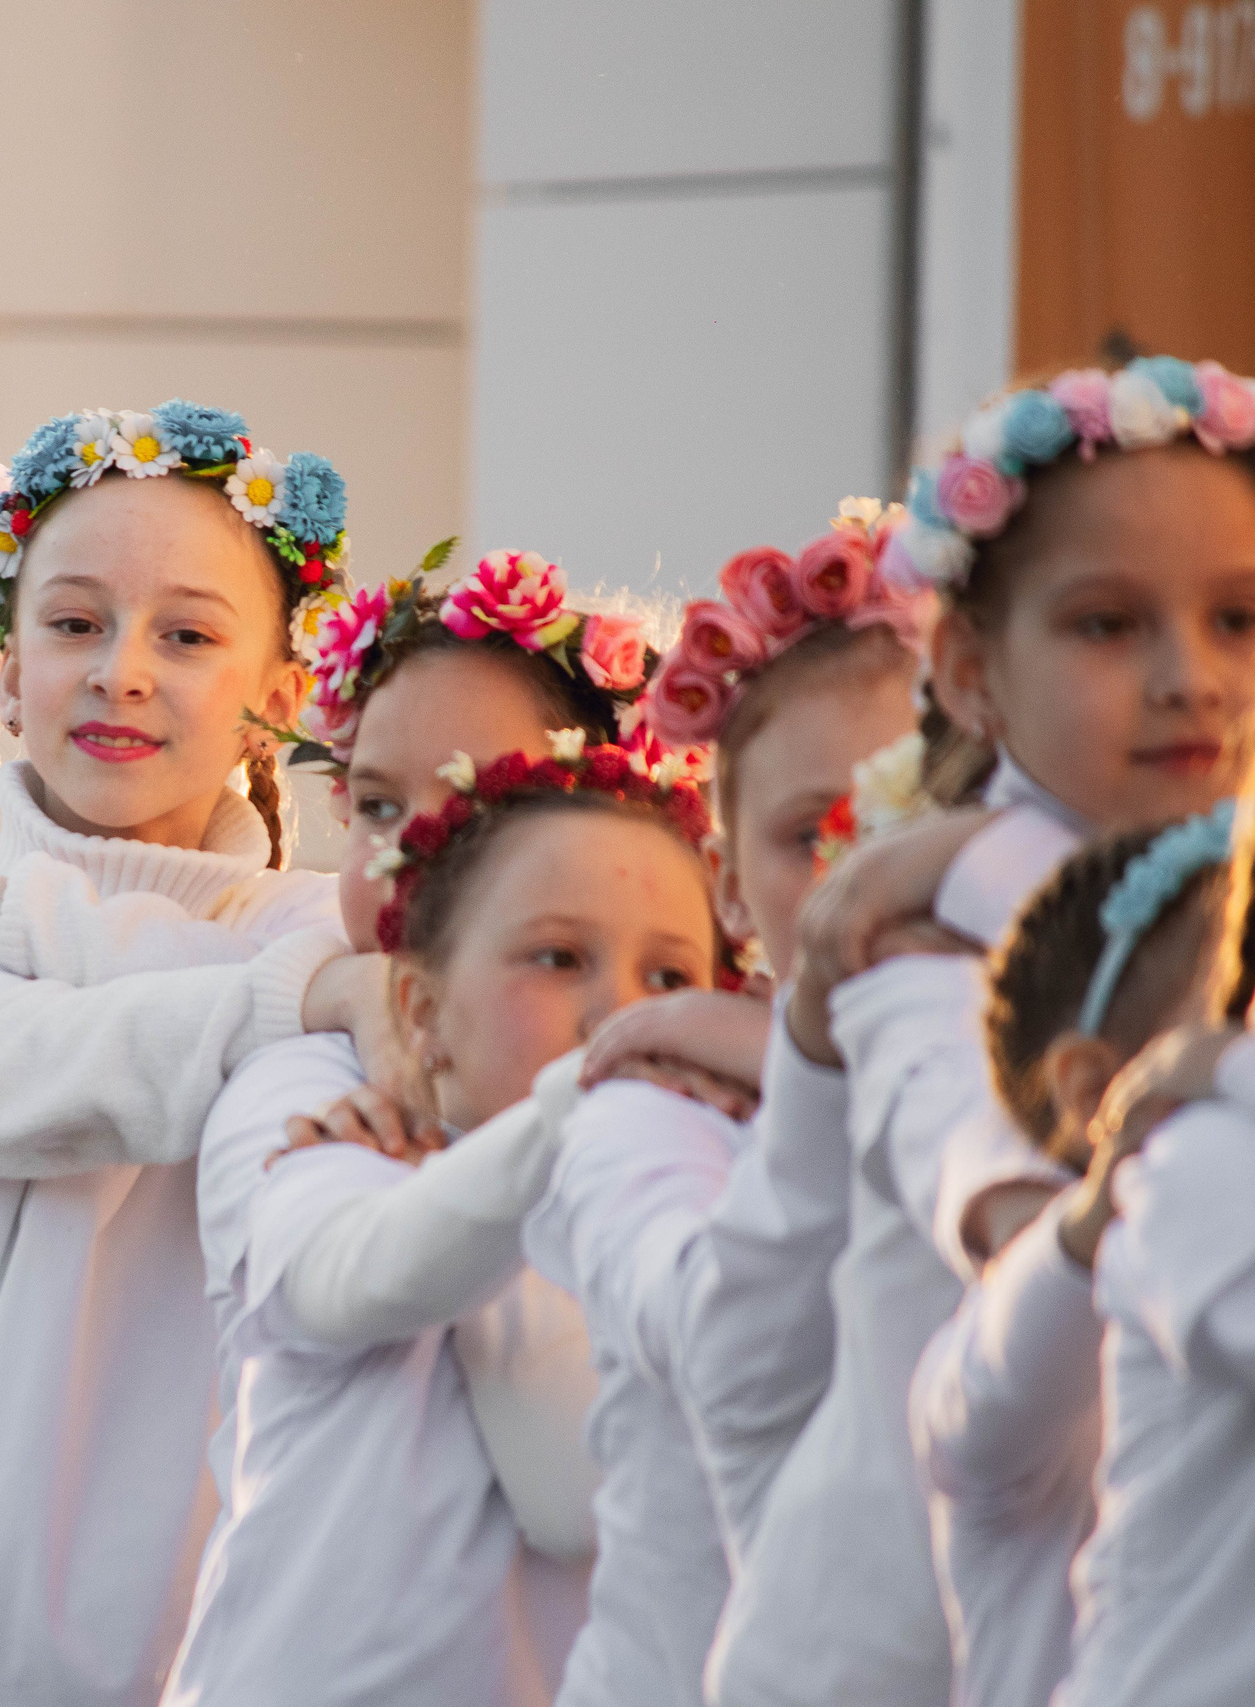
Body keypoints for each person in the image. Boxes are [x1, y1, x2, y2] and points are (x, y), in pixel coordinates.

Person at [0, 401, 399, 1707]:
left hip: (200, 1652)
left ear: (279, 701)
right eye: (74, 624)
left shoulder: (315, 940)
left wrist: (5, 906)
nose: (122, 672)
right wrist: (316, 998)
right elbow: (93, 1065)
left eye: (188, 635)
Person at [707, 356, 1255, 1706]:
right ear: (966, 670)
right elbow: (1002, 1192)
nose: (1192, 678)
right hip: (893, 1656)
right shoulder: (916, 945)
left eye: (1239, 618)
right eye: (1108, 624)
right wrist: (985, 872)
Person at [167, 740, 733, 1706]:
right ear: (420, 1009)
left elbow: (576, 1496)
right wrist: (573, 1109)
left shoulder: (703, 1209)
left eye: (671, 977)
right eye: (559, 958)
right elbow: (354, 1278)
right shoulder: (332, 1126)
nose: (619, 1011)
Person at [521, 506, 924, 1706]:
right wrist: (809, 1063)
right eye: (809, 833)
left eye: (910, 813)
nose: (862, 872)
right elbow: (723, 1348)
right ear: (728, 884)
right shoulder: (655, 1102)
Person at [913, 804, 1244, 1707]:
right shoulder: (1010, 1330)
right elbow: (978, 1401)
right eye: (1236, 1017)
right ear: (1100, 1088)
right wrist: (1098, 1210)